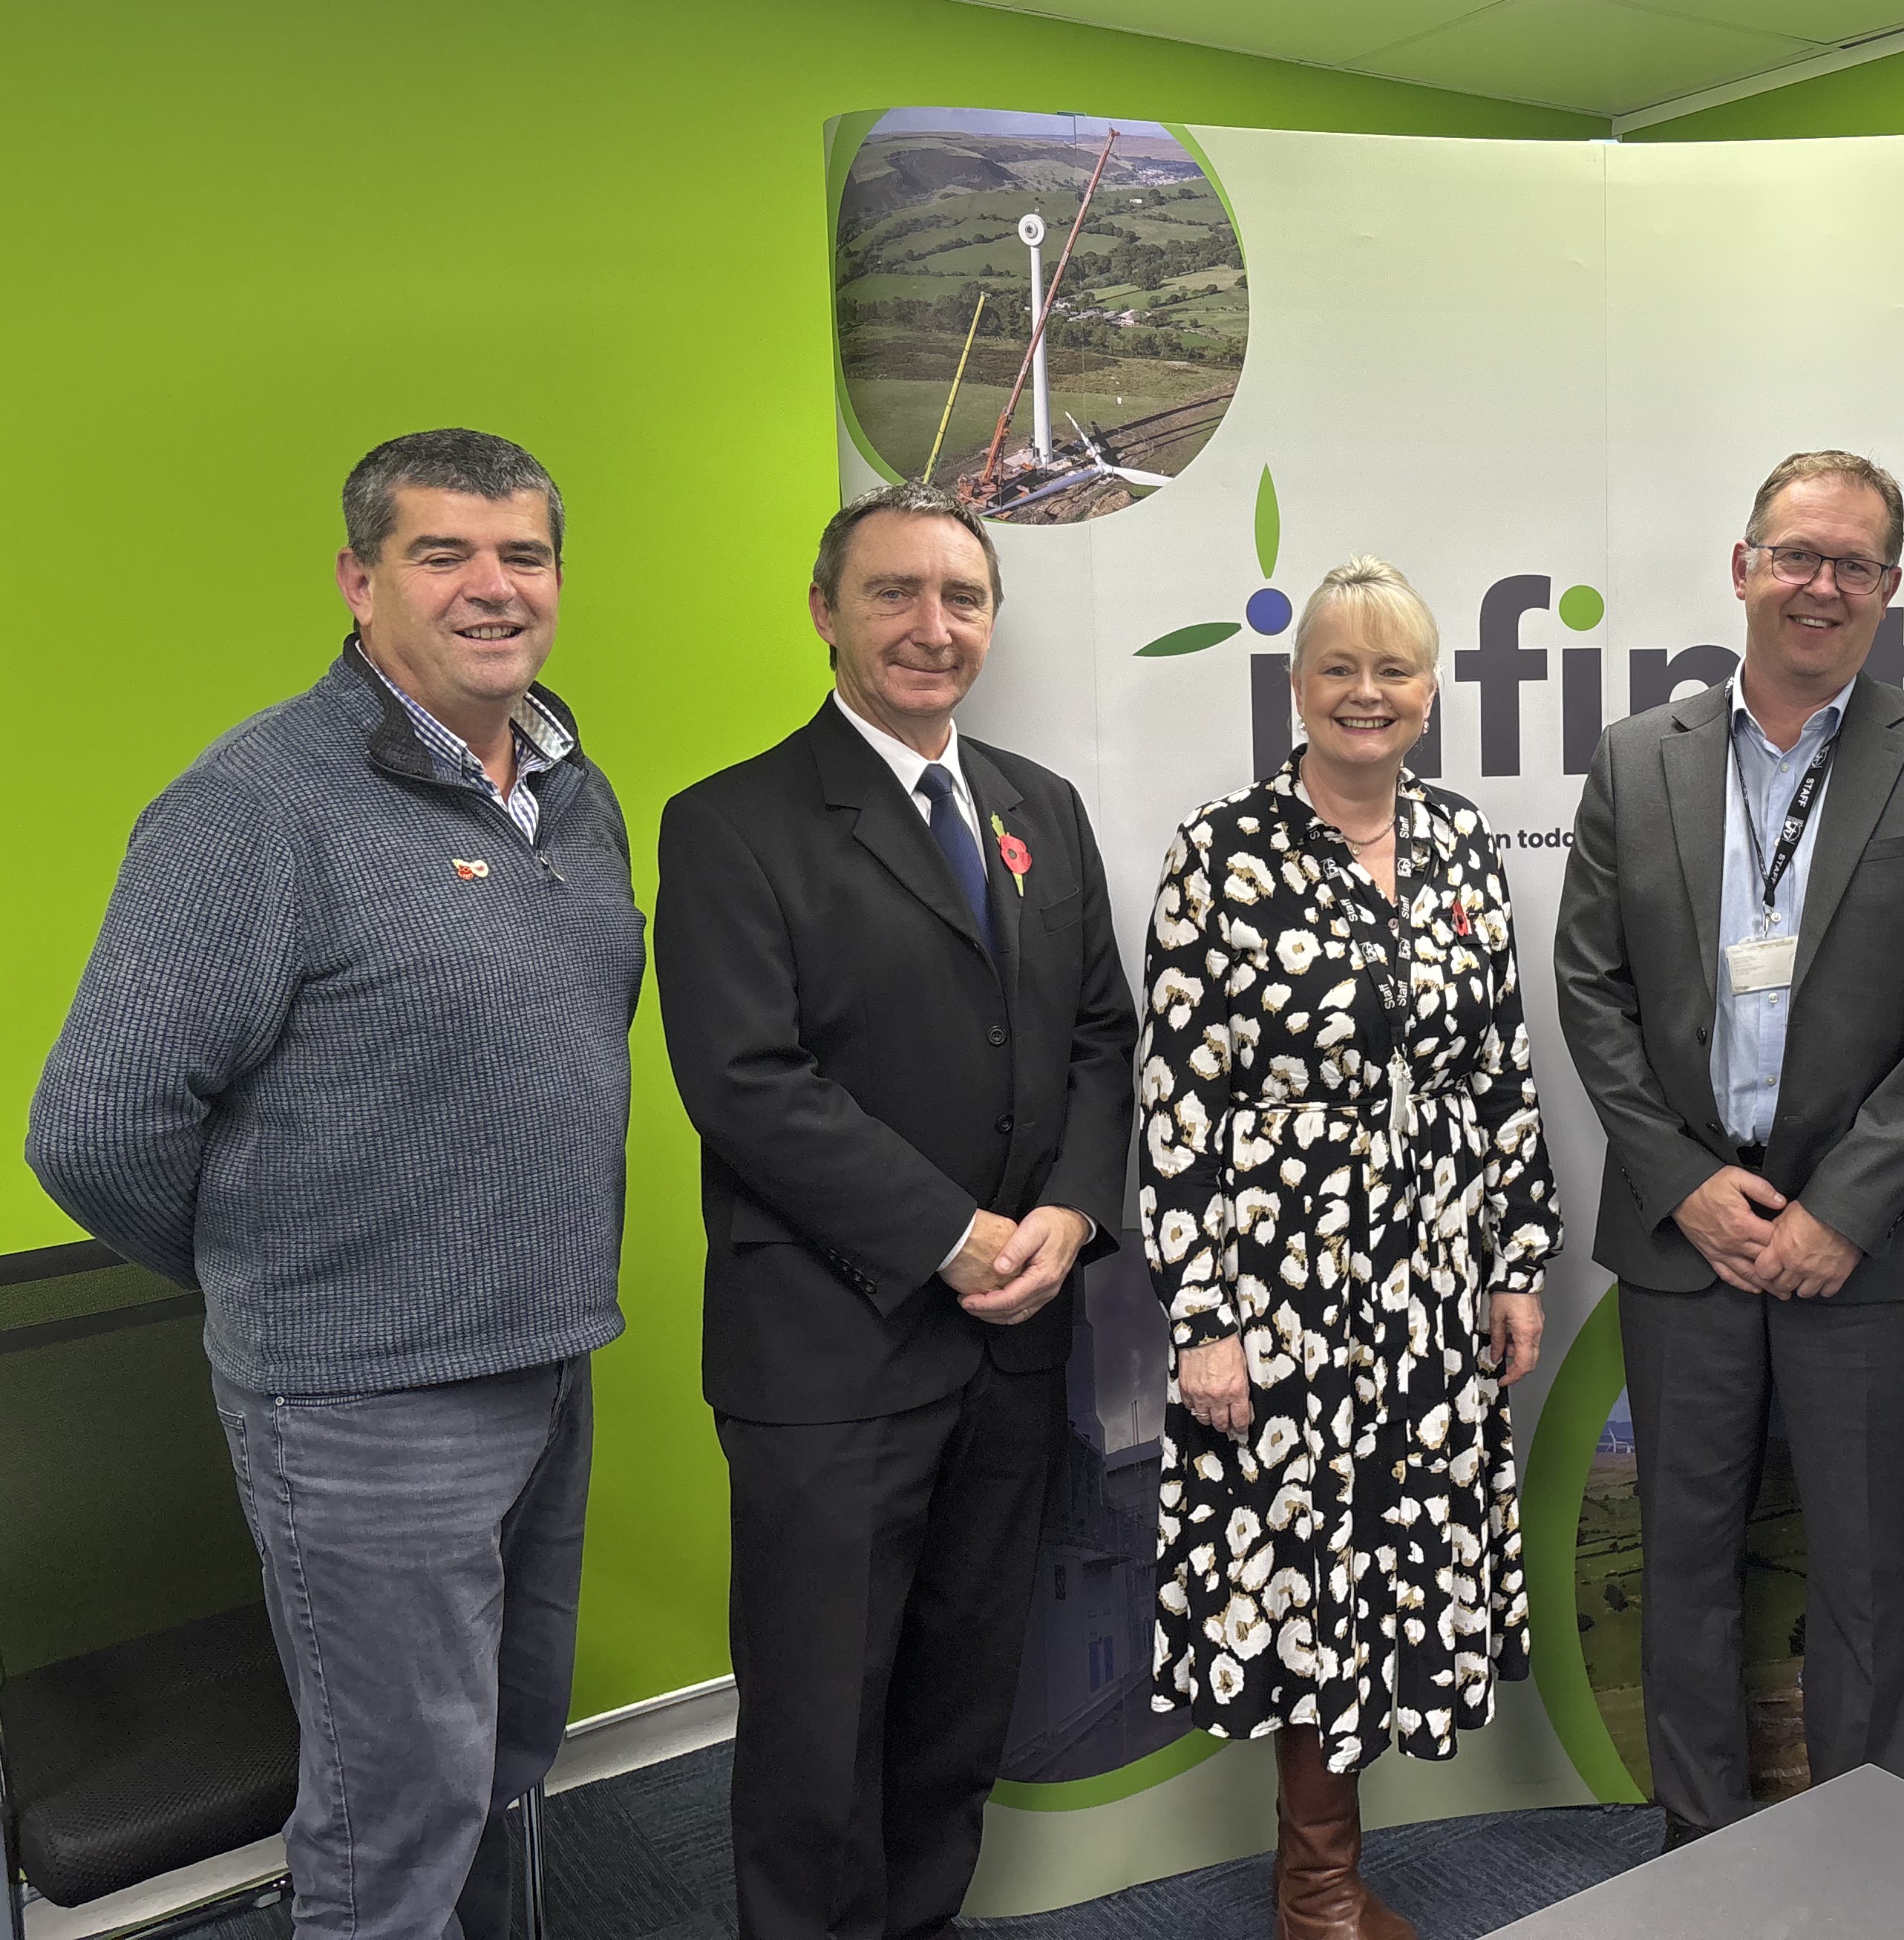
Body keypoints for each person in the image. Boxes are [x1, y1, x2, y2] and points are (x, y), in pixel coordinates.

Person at [27, 428, 640, 1939]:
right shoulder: (255, 808)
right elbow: (94, 1126)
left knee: (502, 1758)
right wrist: (278, 1265)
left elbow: (569, 1029)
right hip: (361, 1405)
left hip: (544, 1361)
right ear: (361, 582)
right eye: (445, 554)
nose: (494, 588)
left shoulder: (567, 785)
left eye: (525, 554)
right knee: (394, 1811)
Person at [653, 481, 1134, 1940]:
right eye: (895, 594)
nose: (935, 628)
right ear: (825, 613)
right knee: (816, 1739)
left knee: (952, 1718)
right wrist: (954, 1235)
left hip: (1013, 1346)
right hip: (831, 1360)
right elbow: (746, 1084)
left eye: (965, 598)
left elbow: (1099, 1037)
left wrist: (1068, 1214)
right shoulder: (730, 826)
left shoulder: (1036, 808)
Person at [1555, 450, 1904, 1847]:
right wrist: (1688, 1189)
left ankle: (1860, 1853)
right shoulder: (1641, 758)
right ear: (1743, 566)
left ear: (1886, 592)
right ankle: (1701, 1847)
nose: (1821, 586)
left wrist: (1839, 1212)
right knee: (1686, 1558)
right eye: (1797, 555)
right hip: (1688, 1239)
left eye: (1853, 565)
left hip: (1868, 1250)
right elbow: (1591, 992)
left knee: (1871, 1574)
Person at [1138, 556, 1560, 1940]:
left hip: (1431, 1274)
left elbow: (1499, 1067)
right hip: (1279, 1283)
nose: (1366, 693)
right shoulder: (1222, 848)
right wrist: (1201, 1317)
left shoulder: (1456, 843)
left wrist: (1514, 1260)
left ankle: (1323, 1881)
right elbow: (1176, 1101)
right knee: (1307, 1563)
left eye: (1394, 670)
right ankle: (1316, 1892)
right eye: (1340, 668)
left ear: (1432, 694)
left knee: (1391, 1560)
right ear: (1297, 683)